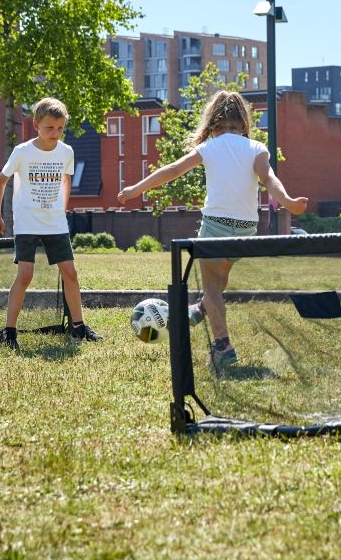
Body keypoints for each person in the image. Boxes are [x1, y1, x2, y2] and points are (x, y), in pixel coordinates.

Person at [117, 90, 308, 370]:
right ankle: (199, 310)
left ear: (213, 124)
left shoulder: (208, 147)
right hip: (246, 229)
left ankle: (223, 346)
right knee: (219, 282)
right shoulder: (256, 148)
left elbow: (172, 170)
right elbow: (269, 178)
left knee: (211, 286)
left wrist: (136, 189)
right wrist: (289, 202)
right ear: (243, 124)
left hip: (215, 226)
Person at [0, 97, 99, 350]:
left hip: (55, 224)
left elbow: (65, 180)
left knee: (70, 273)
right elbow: (0, 180)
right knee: (25, 275)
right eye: (50, 128)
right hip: (27, 223)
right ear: (36, 125)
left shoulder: (66, 151)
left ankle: (79, 327)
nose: (55, 133)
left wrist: (61, 209)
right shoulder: (22, 152)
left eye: (60, 128)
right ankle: (9, 332)